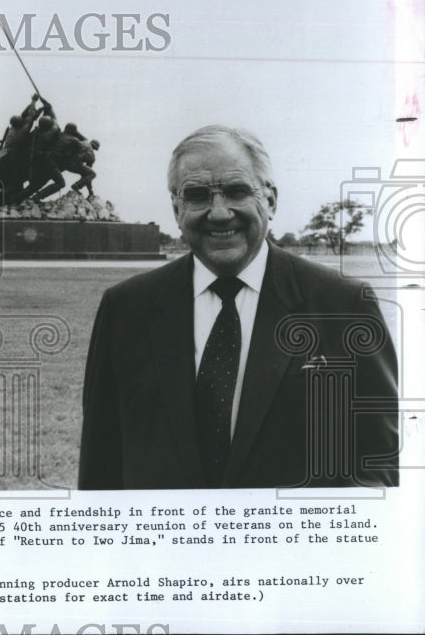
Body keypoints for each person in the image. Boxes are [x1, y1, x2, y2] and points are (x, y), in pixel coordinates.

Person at [78, 125, 399, 489]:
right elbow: (99, 472)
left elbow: (378, 472)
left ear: (271, 200)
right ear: (176, 209)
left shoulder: (344, 308)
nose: (219, 213)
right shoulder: (125, 309)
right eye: (197, 195)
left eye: (236, 191)